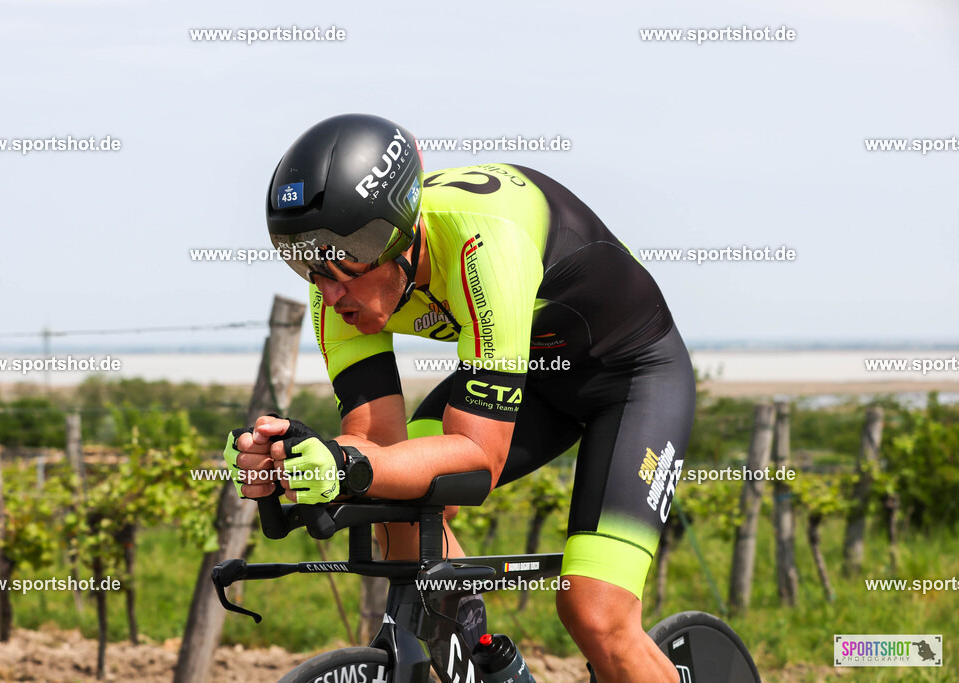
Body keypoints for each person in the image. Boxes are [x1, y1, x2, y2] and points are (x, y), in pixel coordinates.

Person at [226, 113, 694, 683]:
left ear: (394, 234)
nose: (326, 287)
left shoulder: (484, 245)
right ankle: (484, 654)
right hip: (531, 382)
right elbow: (375, 442)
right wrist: (294, 459)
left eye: (343, 257)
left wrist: (351, 463)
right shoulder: (339, 281)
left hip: (630, 380)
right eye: (302, 258)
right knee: (397, 506)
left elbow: (479, 457)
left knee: (595, 615)